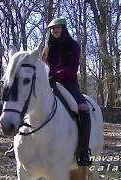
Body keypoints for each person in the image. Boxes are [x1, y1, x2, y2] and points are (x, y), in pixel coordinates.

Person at [41, 17, 91, 166]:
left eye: (58, 28)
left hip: (68, 84)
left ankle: (83, 150)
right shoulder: (47, 48)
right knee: (30, 102)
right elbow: (43, 66)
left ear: (63, 29)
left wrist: (54, 75)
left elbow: (72, 68)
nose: (55, 30)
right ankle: (18, 143)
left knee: (84, 108)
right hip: (47, 84)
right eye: (52, 28)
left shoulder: (73, 46)